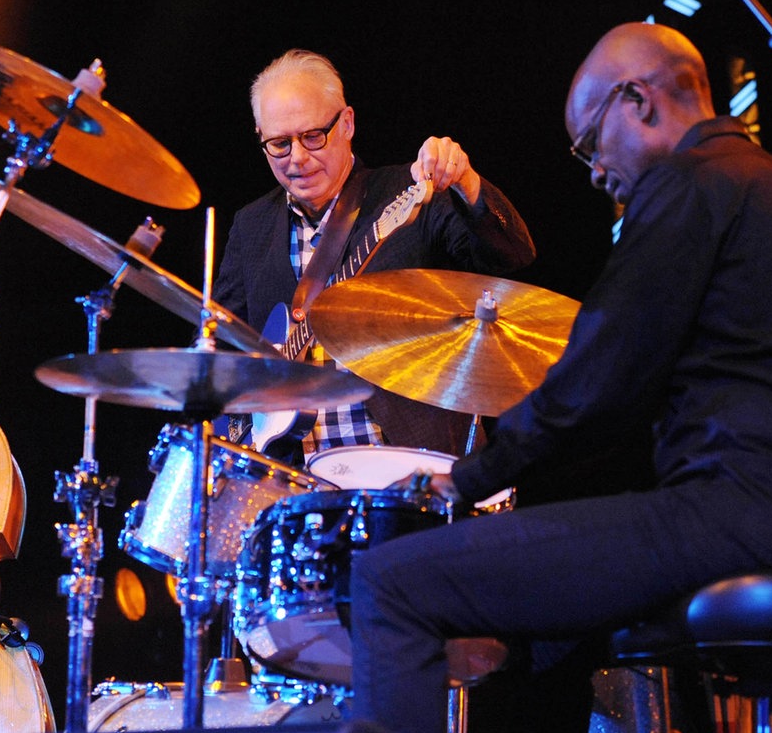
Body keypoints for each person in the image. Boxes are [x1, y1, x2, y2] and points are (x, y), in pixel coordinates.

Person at [347, 22, 772, 733]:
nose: (594, 170)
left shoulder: (690, 187)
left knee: (390, 581)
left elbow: (595, 383)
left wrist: (461, 484)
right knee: (551, 623)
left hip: (742, 518)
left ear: (638, 101)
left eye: (590, 143)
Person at [214, 48, 535, 462]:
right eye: (279, 143)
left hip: (410, 466)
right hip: (291, 480)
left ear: (347, 123)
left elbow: (512, 254)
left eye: (313, 136)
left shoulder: (412, 191)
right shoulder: (251, 225)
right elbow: (221, 346)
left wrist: (467, 184)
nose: (297, 157)